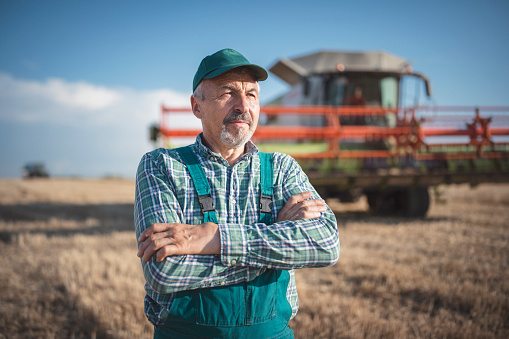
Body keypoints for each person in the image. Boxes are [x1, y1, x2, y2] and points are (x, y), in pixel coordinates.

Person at [134, 48, 340, 338]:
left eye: (252, 94)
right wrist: (277, 242)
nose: (243, 105)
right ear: (197, 107)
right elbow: (165, 272)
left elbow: (326, 245)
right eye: (227, 93)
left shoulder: (282, 168)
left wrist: (214, 239)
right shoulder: (162, 166)